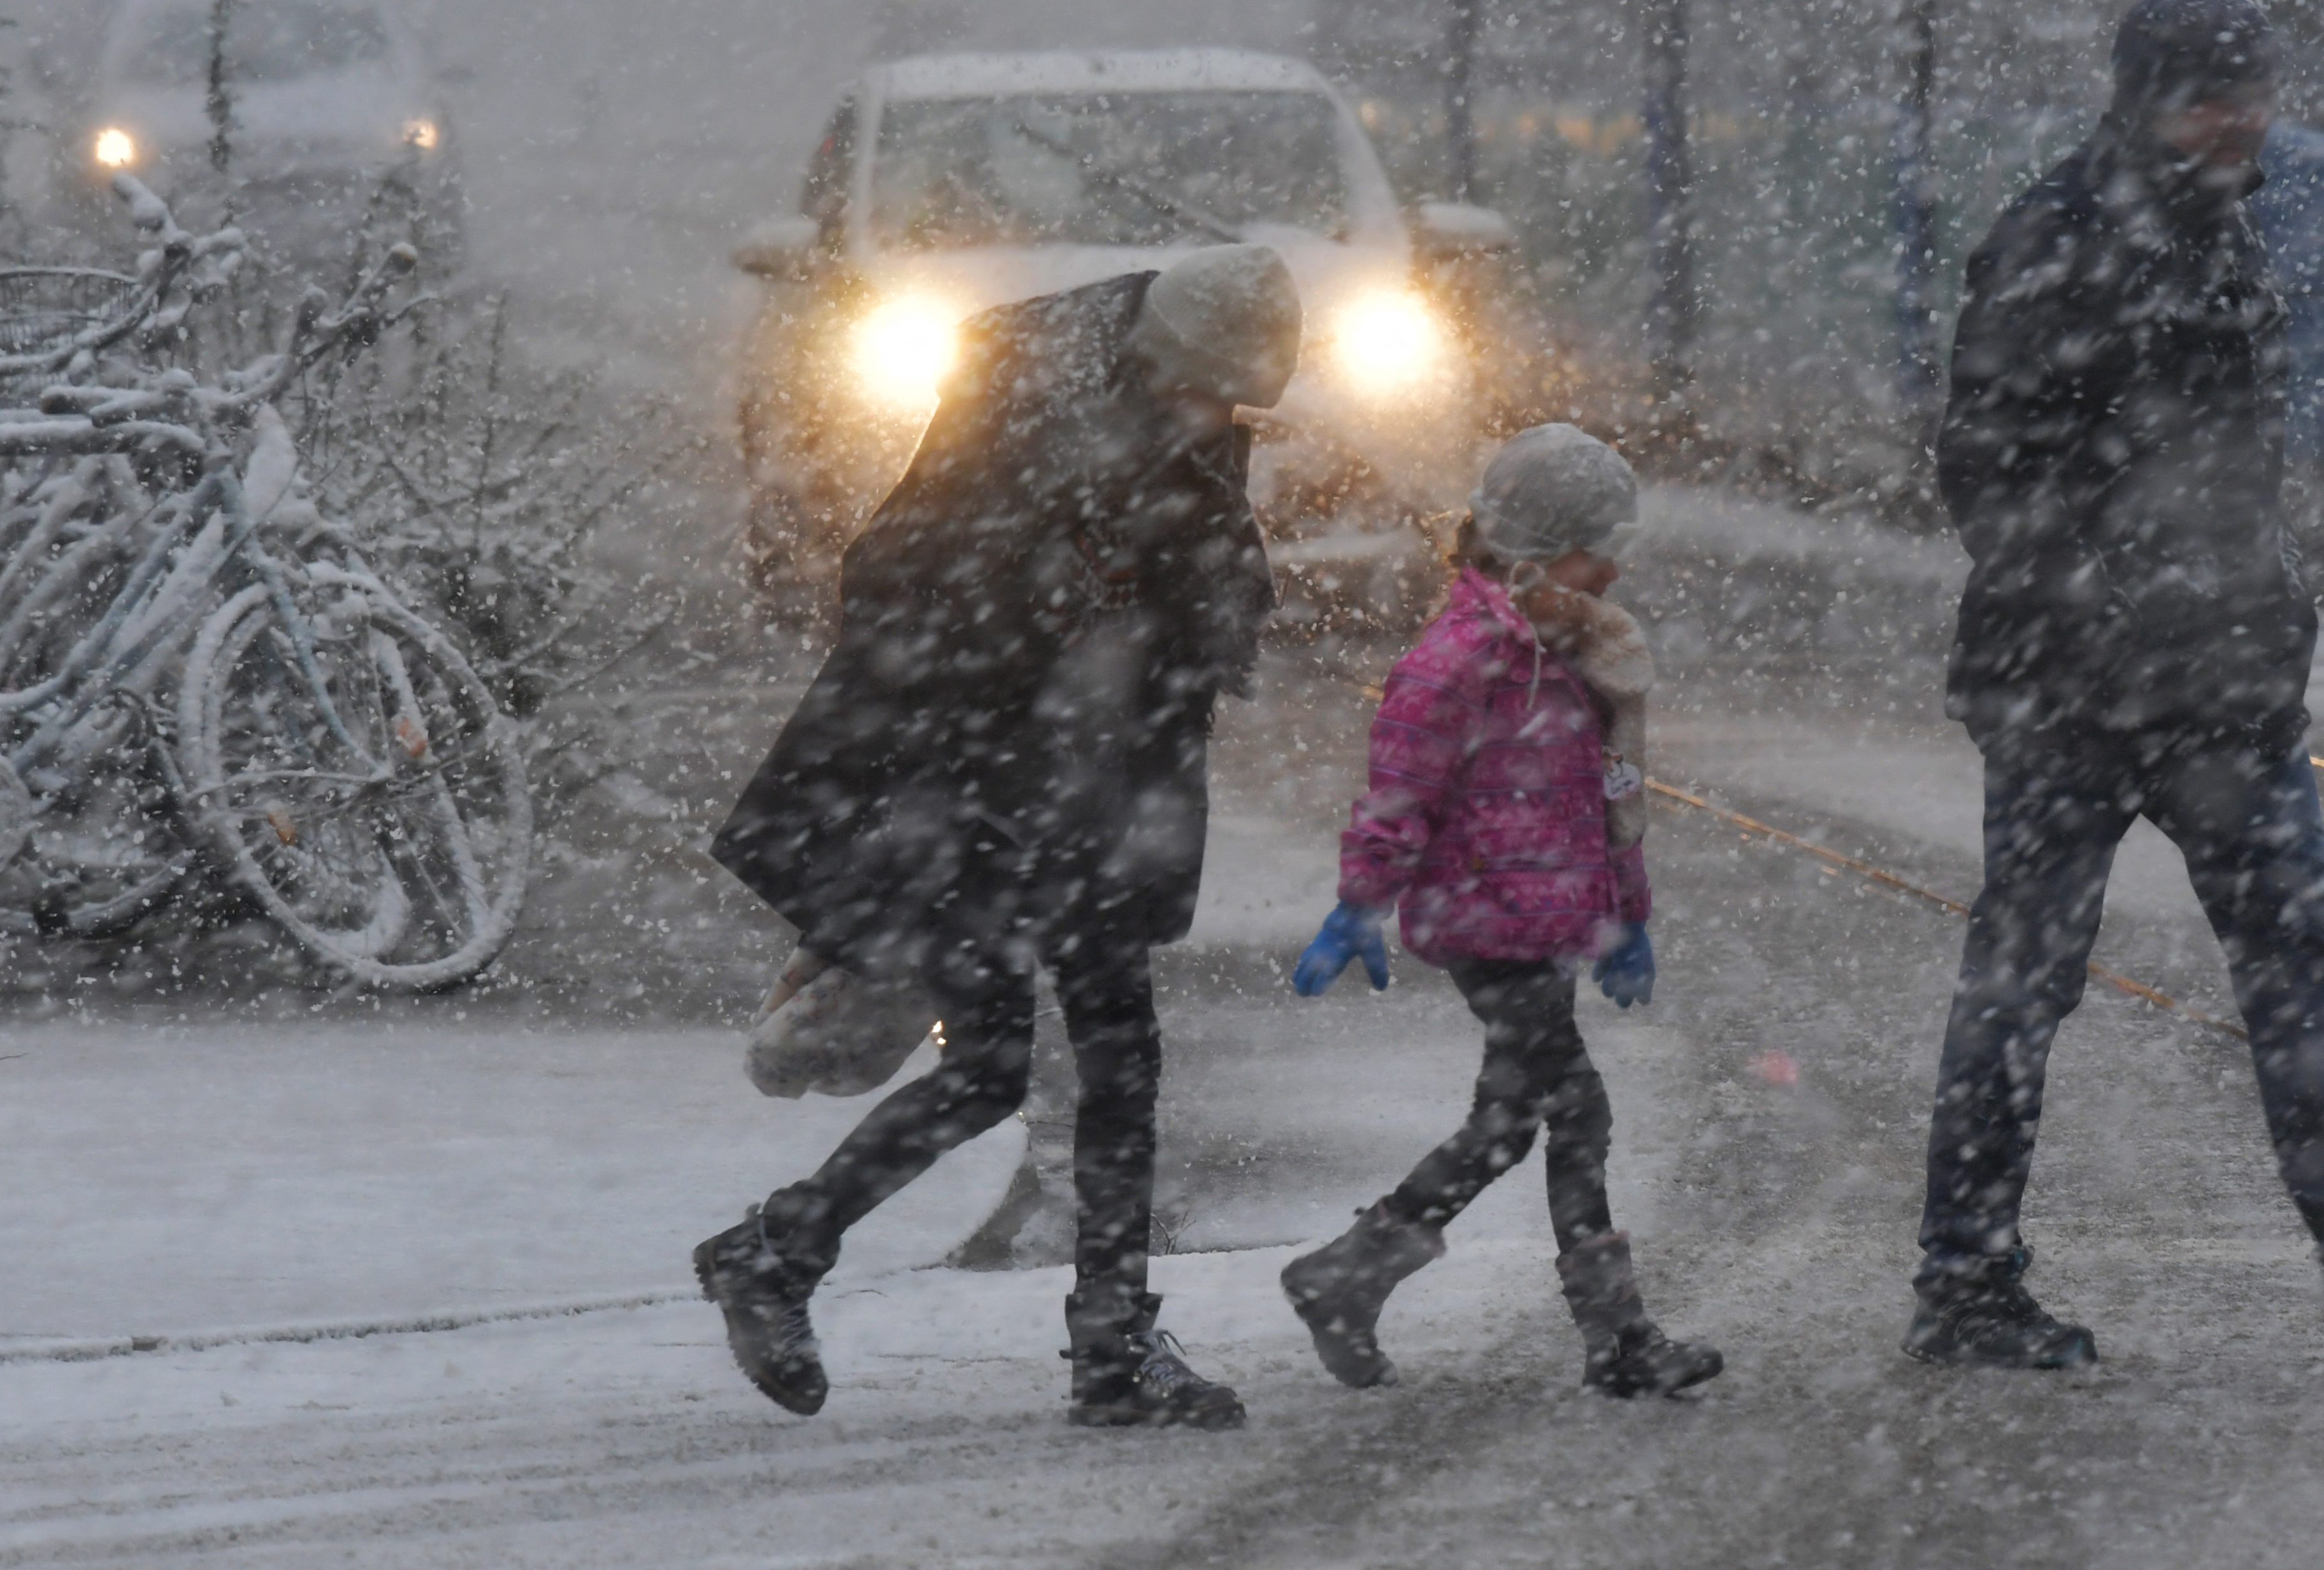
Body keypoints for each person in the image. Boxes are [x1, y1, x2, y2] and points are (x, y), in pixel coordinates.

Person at [1910, 0, 2324, 1369]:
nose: (2244, 118)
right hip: (2075, 695)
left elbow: (2222, 476)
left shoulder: (2218, 231)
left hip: (2222, 691)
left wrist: (2259, 621)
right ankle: (1963, 1285)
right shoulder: (2053, 239)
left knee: (2300, 957)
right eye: (2215, 94)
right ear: (2147, 100)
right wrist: (2111, 616)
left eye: (2254, 90)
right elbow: (1986, 472)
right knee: (2025, 987)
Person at [699, 244, 1300, 1429]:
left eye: (1225, 407)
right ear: (1143, 362)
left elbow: (1199, 591)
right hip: (981, 799)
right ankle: (782, 1252)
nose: (1207, 421)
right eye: (1194, 396)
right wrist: (1018, 649)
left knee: (1111, 1066)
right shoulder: (1016, 416)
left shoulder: (1187, 405)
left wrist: (1209, 612)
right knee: (993, 1072)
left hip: (1093, 799)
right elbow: (895, 580)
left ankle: (1098, 1342)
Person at [1284, 423, 1723, 1399]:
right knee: (1577, 1110)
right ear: (1533, 551)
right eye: (1596, 547)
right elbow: (1398, 792)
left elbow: (1606, 800)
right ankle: (1615, 1339)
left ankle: (1344, 1276)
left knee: (1506, 1124)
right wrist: (1361, 901)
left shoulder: (1575, 651)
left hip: (1544, 925)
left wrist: (1627, 915)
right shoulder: (1461, 659)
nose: (1614, 567)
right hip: (1488, 925)